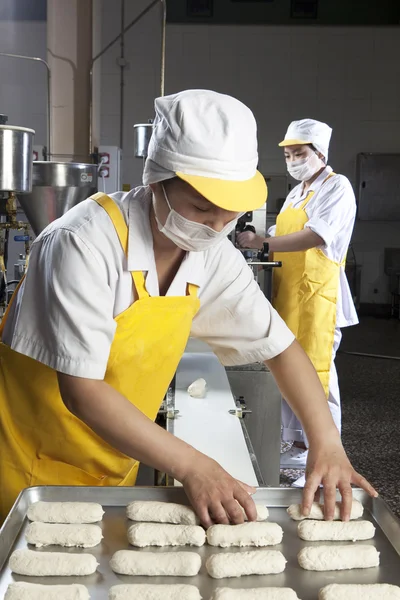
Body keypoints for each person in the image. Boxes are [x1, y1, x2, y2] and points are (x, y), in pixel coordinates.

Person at [0, 94, 374, 525]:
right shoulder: (82, 242)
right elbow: (82, 390)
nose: (216, 226)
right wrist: (194, 466)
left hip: (109, 463)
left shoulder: (210, 252)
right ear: (157, 181)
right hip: (27, 468)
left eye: (229, 214)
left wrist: (326, 442)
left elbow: (280, 348)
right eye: (200, 207)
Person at [237, 119, 359, 487]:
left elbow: (313, 236)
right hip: (291, 292)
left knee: (318, 374)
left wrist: (260, 243)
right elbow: (281, 232)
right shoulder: (298, 191)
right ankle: (297, 442)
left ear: (320, 153)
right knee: (289, 366)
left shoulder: (337, 187)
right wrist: (257, 236)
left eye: (300, 153)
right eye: (288, 154)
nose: (293, 160)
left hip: (319, 296)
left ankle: (326, 447)